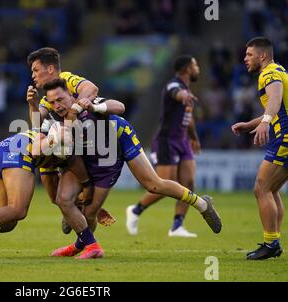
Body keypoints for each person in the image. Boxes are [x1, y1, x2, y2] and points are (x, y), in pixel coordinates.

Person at [43, 79, 222, 258]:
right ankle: (84, 244)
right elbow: (65, 156)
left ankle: (202, 204)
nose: (57, 106)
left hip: (119, 139)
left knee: (153, 185)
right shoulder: (53, 120)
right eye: (52, 102)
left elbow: (119, 106)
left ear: (69, 93)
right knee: (72, 202)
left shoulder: (83, 102)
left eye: (60, 99)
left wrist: (93, 107)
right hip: (92, 153)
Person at [0, 127, 93, 259]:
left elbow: (55, 195)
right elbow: (59, 191)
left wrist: (76, 208)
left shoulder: (56, 151)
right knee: (17, 210)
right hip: (17, 151)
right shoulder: (65, 146)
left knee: (8, 222)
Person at [26, 47, 115, 232]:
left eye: (35, 70)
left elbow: (91, 88)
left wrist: (73, 113)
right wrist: (33, 105)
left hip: (81, 141)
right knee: (53, 197)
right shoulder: (46, 99)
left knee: (65, 195)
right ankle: (80, 207)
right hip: (55, 140)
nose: (33, 75)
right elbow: (37, 122)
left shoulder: (67, 79)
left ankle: (85, 210)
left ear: (50, 69)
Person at [126, 55, 202, 238]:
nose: (198, 68)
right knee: (163, 185)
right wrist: (184, 96)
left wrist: (194, 138)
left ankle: (177, 226)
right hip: (166, 141)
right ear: (186, 69)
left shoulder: (187, 89)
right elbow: (177, 93)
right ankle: (136, 210)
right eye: (195, 65)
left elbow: (188, 118)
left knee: (189, 183)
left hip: (182, 140)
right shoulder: (174, 85)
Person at [232, 37, 287, 260]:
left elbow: (275, 99)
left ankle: (271, 243)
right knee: (271, 190)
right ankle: (274, 241)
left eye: (249, 55)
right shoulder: (280, 70)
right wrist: (251, 124)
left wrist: (265, 122)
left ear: (263, 55)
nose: (245, 59)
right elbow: (278, 106)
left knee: (261, 187)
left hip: (284, 136)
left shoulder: (269, 73)